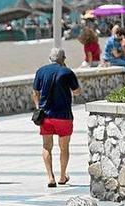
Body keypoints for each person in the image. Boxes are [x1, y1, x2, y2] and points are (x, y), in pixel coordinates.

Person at [32, 48, 81, 187]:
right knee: (64, 147)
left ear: (50, 58)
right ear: (63, 58)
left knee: (47, 146)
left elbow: (35, 92)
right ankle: (62, 176)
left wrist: (38, 108)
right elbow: (77, 92)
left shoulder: (41, 71)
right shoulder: (67, 72)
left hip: (46, 116)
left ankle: (50, 177)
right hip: (64, 116)